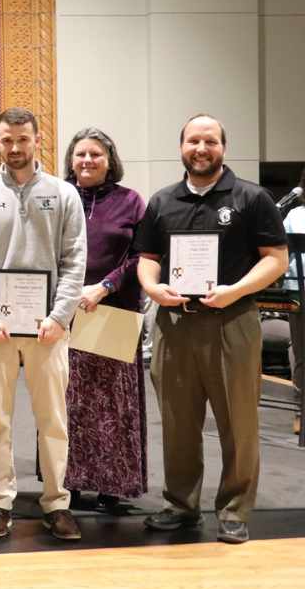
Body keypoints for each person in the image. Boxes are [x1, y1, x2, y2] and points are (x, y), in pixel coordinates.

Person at [135, 114, 288, 544]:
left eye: (210, 141)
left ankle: (235, 509)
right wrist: (153, 287)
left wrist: (236, 290)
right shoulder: (162, 201)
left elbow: (276, 257)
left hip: (232, 321)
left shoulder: (251, 197)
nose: (201, 148)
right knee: (179, 423)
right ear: (181, 147)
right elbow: (147, 257)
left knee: (238, 423)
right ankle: (181, 506)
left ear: (223, 147)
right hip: (175, 324)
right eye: (193, 141)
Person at [0, 107, 86, 541]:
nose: (15, 148)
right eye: (7, 140)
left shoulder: (64, 194)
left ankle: (57, 503)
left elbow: (75, 262)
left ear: (38, 140)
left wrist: (59, 316)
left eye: (23, 139)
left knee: (52, 419)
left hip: (48, 330)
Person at [61, 128, 148, 512]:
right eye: (80, 154)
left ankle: (111, 488)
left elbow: (143, 255)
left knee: (113, 405)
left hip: (113, 312)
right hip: (65, 315)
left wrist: (105, 286)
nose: (87, 161)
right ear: (70, 159)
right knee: (68, 402)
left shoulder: (131, 201)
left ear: (110, 160)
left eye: (96, 154)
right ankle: (69, 486)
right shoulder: (59, 196)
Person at [282, 168, 305, 436]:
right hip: (299, 292)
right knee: (302, 354)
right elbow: (282, 257)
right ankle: (301, 411)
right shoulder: (294, 215)